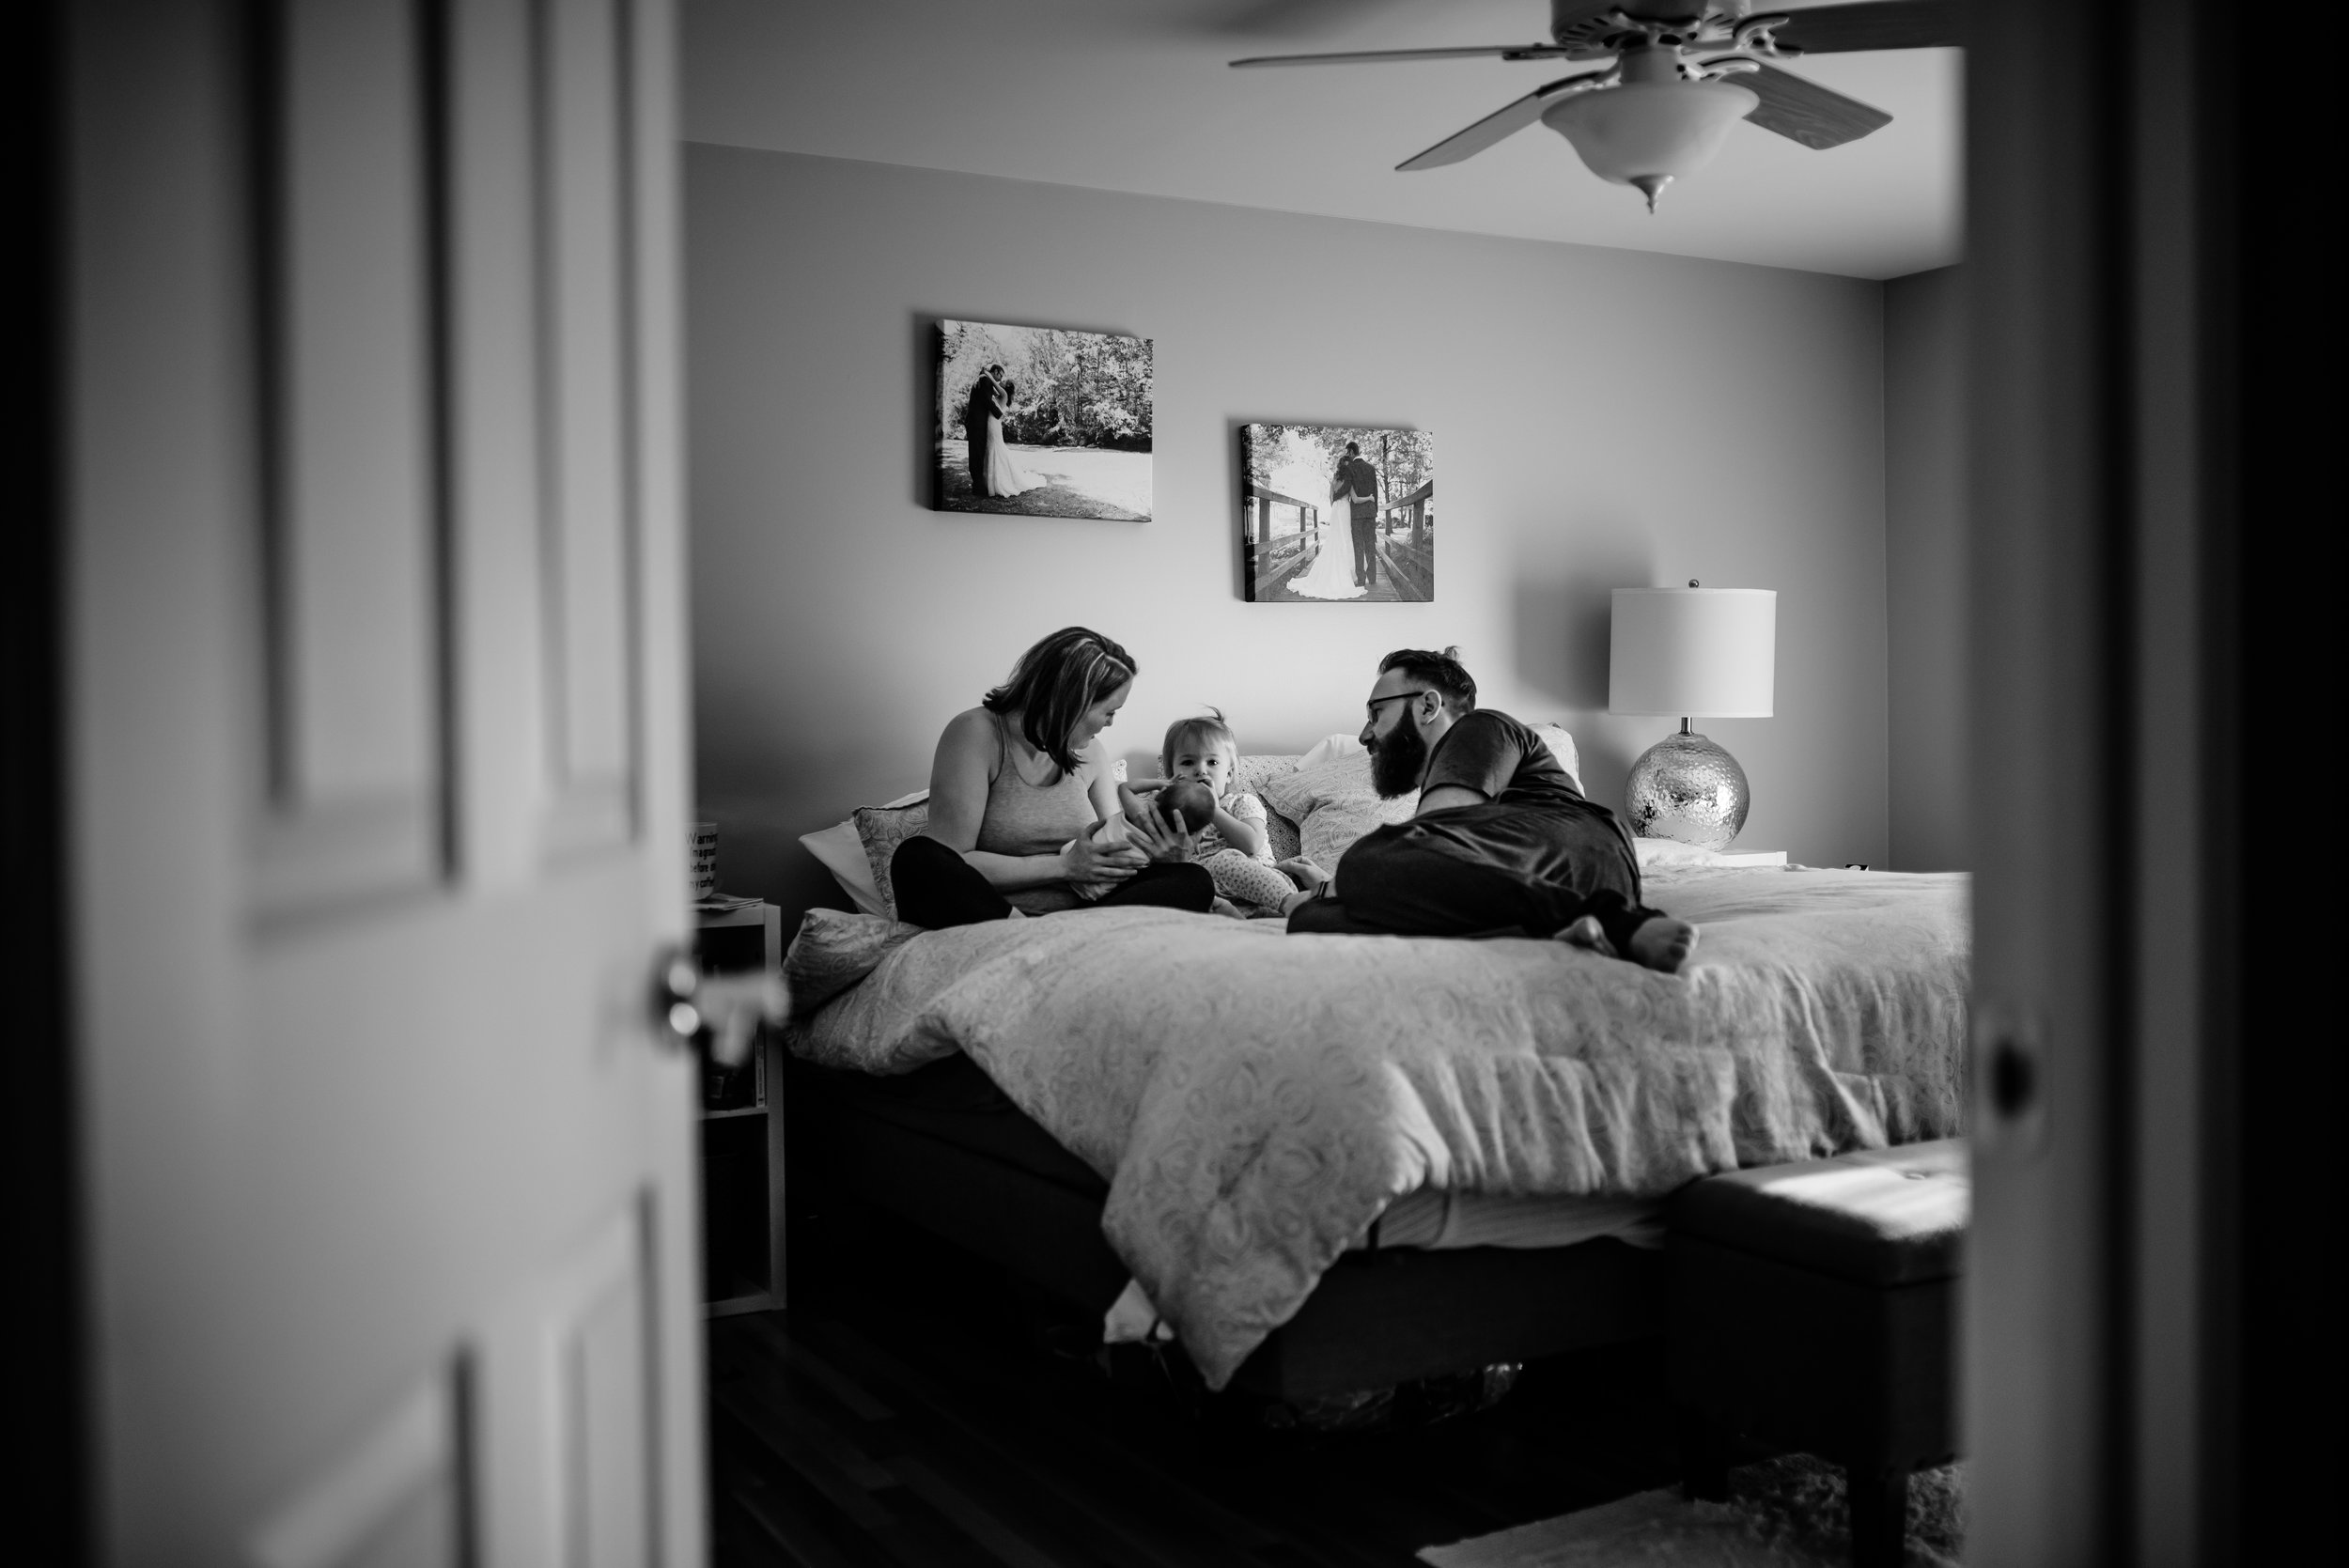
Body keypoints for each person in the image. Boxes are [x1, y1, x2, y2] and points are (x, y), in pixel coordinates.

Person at [1278, 649, 1700, 972]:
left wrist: (1336, 887)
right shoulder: (1445, 779)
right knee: (1307, 921)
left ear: (1428, 706)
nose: (1366, 734)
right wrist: (1320, 898)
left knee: (1364, 861)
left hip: (1574, 847)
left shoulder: (1481, 728)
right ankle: (1555, 931)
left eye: (1376, 713)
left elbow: (1439, 841)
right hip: (1527, 883)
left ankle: (1615, 922)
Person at [891, 627, 1213, 927]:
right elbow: (955, 861)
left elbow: (1112, 849)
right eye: (1109, 712)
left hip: (1085, 916)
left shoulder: (1091, 753)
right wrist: (1064, 867)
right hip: (996, 918)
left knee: (1192, 881)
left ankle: (1061, 945)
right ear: (1072, 702)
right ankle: (1032, 940)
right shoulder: (976, 734)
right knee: (916, 859)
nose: (1111, 723)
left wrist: (1166, 858)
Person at [1104, 710, 1299, 913]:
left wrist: (1213, 809)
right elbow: (1125, 791)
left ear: (1229, 773)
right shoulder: (1170, 813)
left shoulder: (1239, 802)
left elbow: (1251, 845)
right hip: (1213, 896)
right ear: (1171, 774)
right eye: (1188, 763)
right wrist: (1162, 785)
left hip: (1263, 890)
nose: (1200, 770)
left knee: (1222, 861)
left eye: (1212, 762)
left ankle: (1291, 902)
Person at [1283, 473, 1363, 600]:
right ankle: (1348, 574)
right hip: (1345, 509)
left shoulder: (1334, 480)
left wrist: (1336, 506)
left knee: (1334, 538)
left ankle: (1332, 573)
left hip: (1336, 509)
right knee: (1346, 538)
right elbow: (1355, 499)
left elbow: (1331, 498)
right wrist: (1369, 498)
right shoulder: (1349, 480)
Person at [1336, 441, 1381, 588]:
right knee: (1370, 545)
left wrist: (1336, 495)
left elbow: (1347, 487)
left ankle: (1361, 580)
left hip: (1356, 514)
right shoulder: (1371, 468)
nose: (1346, 454)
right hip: (1370, 513)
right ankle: (1373, 578)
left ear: (1350, 452)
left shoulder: (1351, 468)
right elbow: (1375, 491)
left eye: (1346, 451)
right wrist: (1375, 510)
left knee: (1358, 547)